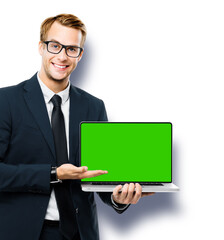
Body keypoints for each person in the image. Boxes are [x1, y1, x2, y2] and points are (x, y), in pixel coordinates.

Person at [0, 14, 153, 240]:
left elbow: (100, 176)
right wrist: (53, 174)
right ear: (41, 47)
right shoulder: (7, 101)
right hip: (25, 231)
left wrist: (117, 198)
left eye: (72, 49)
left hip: (81, 233)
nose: (62, 56)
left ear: (80, 55)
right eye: (55, 46)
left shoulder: (94, 106)